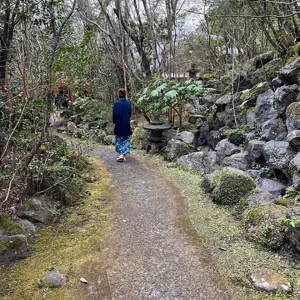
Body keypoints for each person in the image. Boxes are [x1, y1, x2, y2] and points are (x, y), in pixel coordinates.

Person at [113, 88, 132, 162]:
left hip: (119, 124)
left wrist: (114, 121)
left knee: (119, 140)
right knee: (126, 140)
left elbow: (115, 115)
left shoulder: (116, 104)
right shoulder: (128, 103)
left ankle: (121, 155)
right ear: (125, 94)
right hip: (126, 124)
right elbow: (129, 114)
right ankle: (123, 155)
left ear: (119, 94)